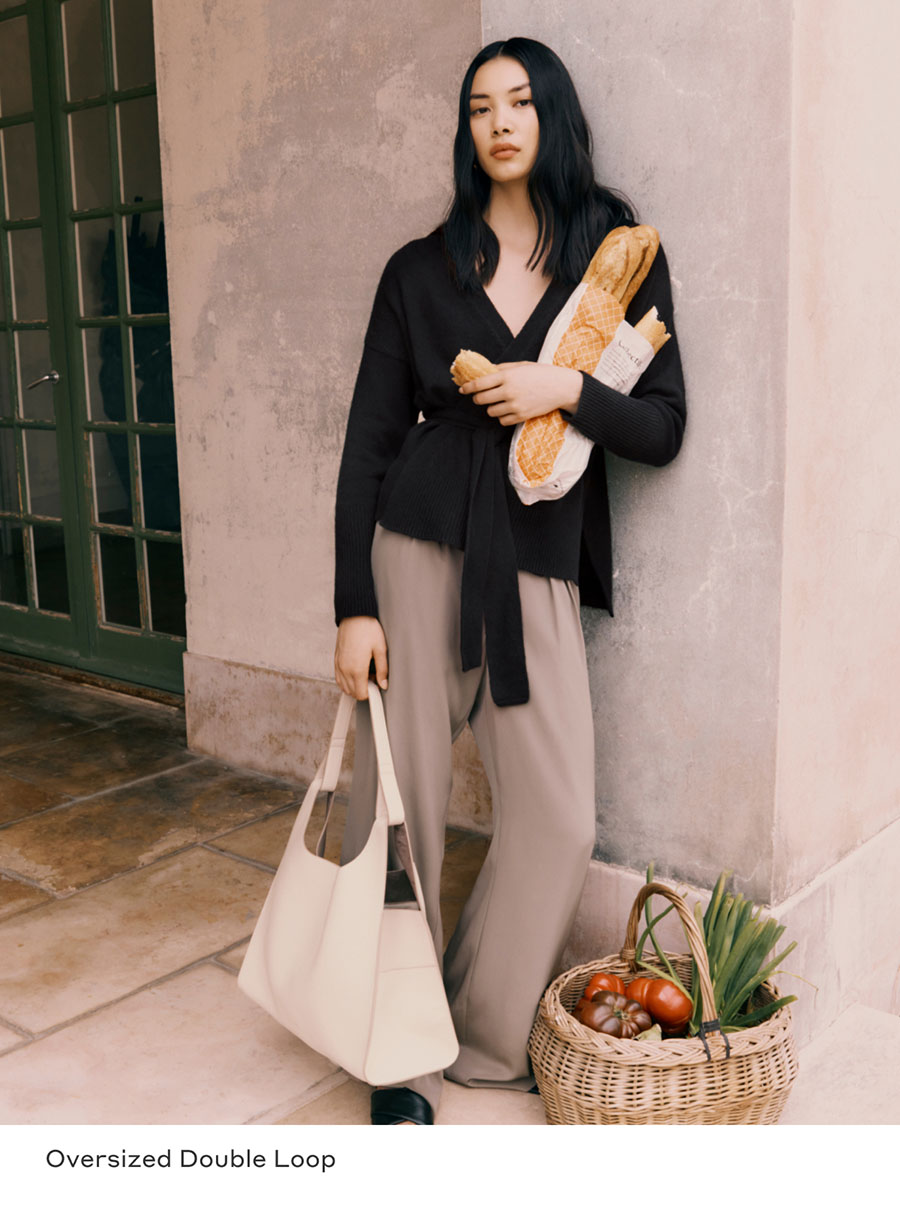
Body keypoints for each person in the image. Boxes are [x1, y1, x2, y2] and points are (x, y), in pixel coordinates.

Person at [333, 36, 686, 1125]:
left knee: (556, 817)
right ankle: (393, 1052)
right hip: (416, 545)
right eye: (480, 105)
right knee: (405, 809)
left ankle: (482, 1035)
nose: (500, 120)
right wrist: (353, 603)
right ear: (465, 129)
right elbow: (367, 442)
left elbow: (664, 428)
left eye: (521, 101)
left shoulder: (615, 252)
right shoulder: (419, 267)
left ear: (553, 116)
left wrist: (562, 385)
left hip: (530, 556)